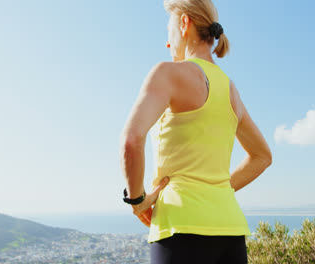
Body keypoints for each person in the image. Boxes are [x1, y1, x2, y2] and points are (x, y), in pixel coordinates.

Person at [119, 0, 272, 263]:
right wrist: (217, 188)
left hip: (180, 228)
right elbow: (262, 156)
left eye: (169, 34)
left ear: (184, 23)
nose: (168, 44)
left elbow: (131, 141)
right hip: (230, 231)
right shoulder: (231, 89)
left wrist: (137, 201)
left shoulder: (167, 74)